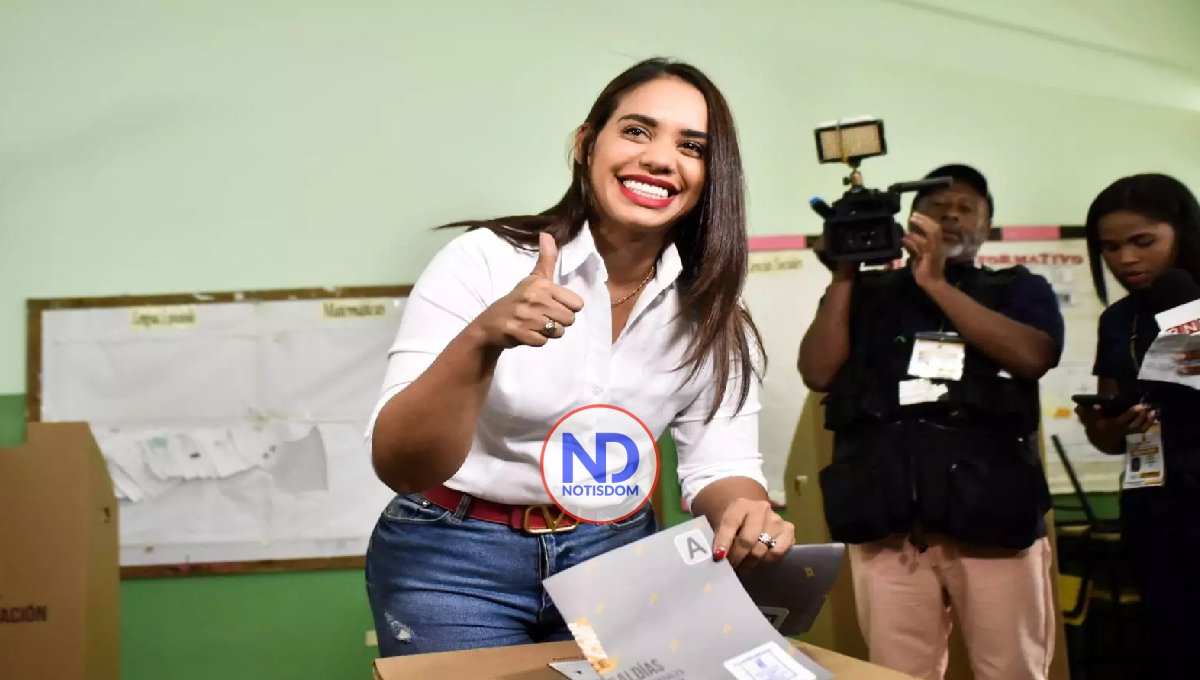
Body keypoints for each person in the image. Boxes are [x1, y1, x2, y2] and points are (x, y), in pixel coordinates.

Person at [363, 57, 794, 657]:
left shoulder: (714, 312)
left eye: (692, 146)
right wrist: (482, 340)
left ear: (710, 175)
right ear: (586, 144)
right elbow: (402, 465)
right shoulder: (484, 262)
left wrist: (746, 514)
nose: (661, 159)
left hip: (619, 553)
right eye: (637, 131)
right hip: (455, 553)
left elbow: (718, 468)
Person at [799, 164, 1064, 680]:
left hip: (994, 520)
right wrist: (843, 275)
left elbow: (1033, 356)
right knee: (897, 674)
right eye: (938, 209)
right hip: (888, 527)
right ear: (912, 221)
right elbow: (818, 370)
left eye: (966, 208)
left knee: (1010, 669)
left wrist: (936, 284)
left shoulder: (1016, 287)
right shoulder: (867, 294)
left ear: (988, 225)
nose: (952, 216)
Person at [1075, 173, 1200, 680]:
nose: (1126, 259)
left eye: (1142, 241)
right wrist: (1109, 425)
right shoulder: (1117, 319)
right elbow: (1109, 436)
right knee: (1175, 645)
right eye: (1110, 247)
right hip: (1153, 501)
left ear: (1183, 232)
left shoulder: (1186, 295)